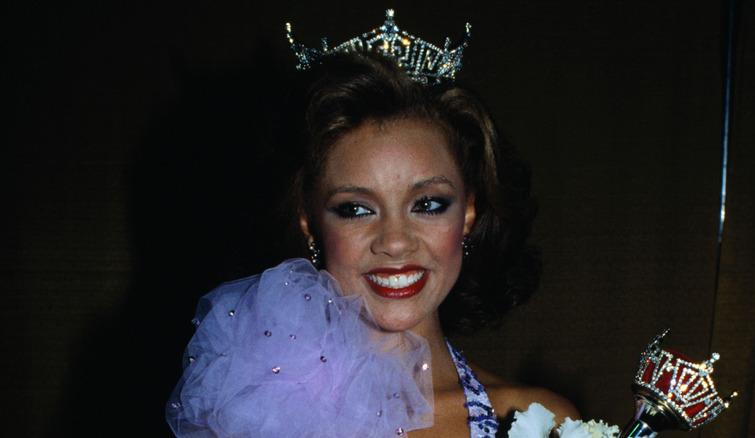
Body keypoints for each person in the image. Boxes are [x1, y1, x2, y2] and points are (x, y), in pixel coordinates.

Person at [167, 12, 579, 438]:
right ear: (309, 223)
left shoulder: (541, 421)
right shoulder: (249, 415)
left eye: (428, 204)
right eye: (356, 209)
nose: (395, 242)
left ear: (468, 214)